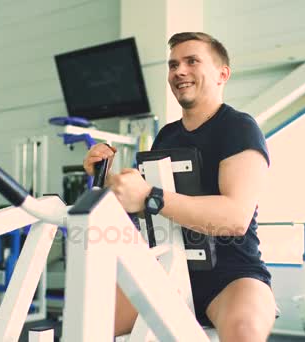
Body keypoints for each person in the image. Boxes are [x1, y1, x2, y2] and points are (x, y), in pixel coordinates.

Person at [83, 32, 276, 342]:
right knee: (90, 322)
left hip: (232, 275)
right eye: (173, 65)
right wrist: (106, 179)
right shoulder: (167, 137)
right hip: (165, 267)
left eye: (192, 61)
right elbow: (143, 211)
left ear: (222, 74)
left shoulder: (238, 127)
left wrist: (149, 196)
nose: (179, 71)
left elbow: (235, 218)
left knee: (245, 333)